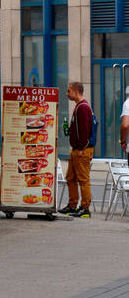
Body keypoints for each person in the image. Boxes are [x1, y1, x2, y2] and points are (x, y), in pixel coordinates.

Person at [61, 81, 94, 217]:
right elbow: (80, 128)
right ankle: (72, 205)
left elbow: (86, 130)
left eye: (69, 91)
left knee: (83, 179)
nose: (67, 94)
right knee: (71, 177)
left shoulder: (83, 107)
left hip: (81, 150)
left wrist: (81, 148)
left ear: (76, 91)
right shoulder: (78, 107)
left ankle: (85, 208)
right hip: (76, 148)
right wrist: (71, 129)